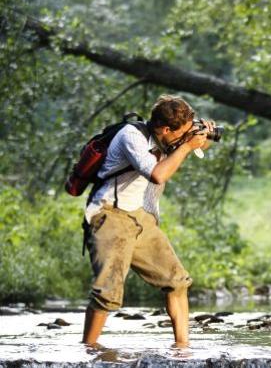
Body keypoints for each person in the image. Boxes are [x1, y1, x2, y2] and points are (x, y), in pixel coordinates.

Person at [81, 95, 216, 348]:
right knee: (107, 292)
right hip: (110, 215)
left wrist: (201, 137)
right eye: (182, 133)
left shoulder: (166, 138)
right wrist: (187, 146)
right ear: (166, 129)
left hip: (140, 217)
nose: (183, 139)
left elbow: (193, 147)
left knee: (177, 282)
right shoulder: (132, 136)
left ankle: (182, 349)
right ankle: (87, 353)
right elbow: (157, 175)